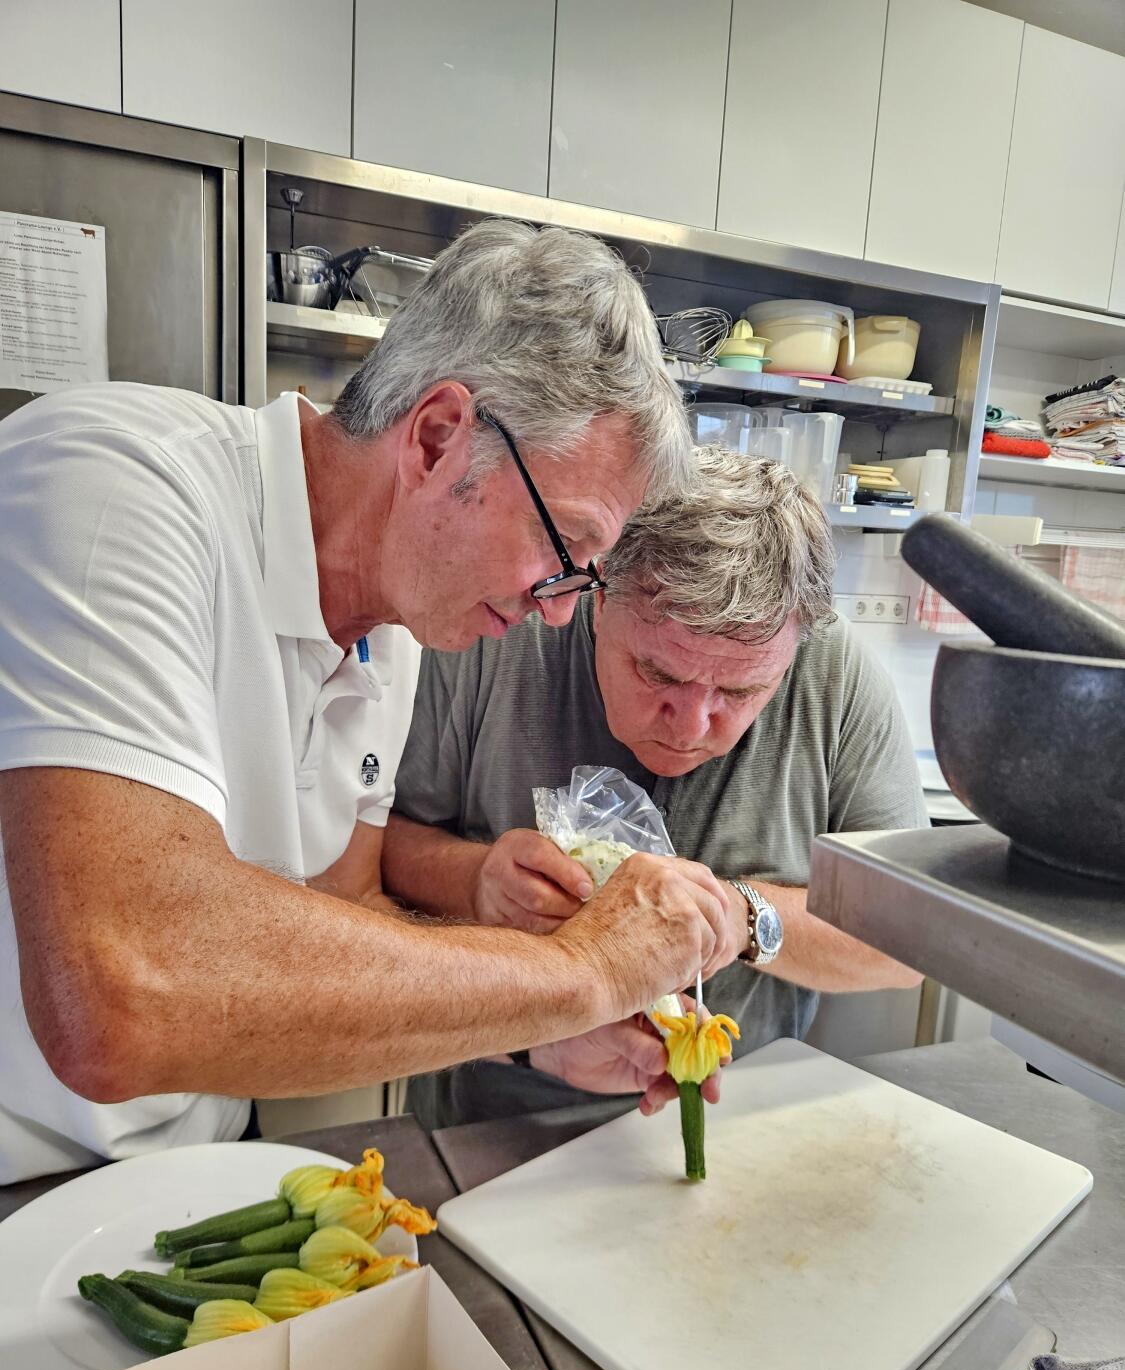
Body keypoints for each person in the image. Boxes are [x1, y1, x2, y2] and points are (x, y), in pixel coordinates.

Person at [0, 219, 737, 1185]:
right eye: (565, 549)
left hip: (183, 1173)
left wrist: (539, 1035)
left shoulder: (393, 625)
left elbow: (340, 910)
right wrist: (580, 974)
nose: (558, 611)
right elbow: (120, 993)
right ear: (437, 438)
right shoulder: (115, 483)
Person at [383, 446, 927, 1131]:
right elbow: (367, 857)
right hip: (494, 1116)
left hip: (745, 1119)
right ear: (597, 595)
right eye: (657, 674)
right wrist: (474, 881)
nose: (691, 726)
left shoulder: (835, 674)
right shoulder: (498, 632)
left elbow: (910, 941)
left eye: (740, 690)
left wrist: (743, 920)